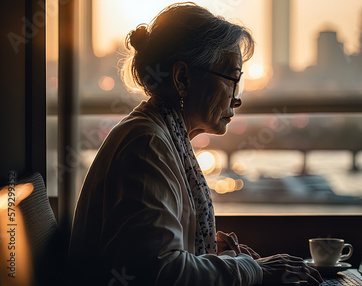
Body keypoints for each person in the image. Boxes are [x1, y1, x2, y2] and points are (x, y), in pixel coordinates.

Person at [67, 2, 322, 285]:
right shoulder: (147, 146)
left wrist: (215, 255)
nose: (237, 98)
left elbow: (154, 258)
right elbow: (161, 273)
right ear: (183, 78)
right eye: (232, 80)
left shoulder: (159, 137)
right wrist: (253, 270)